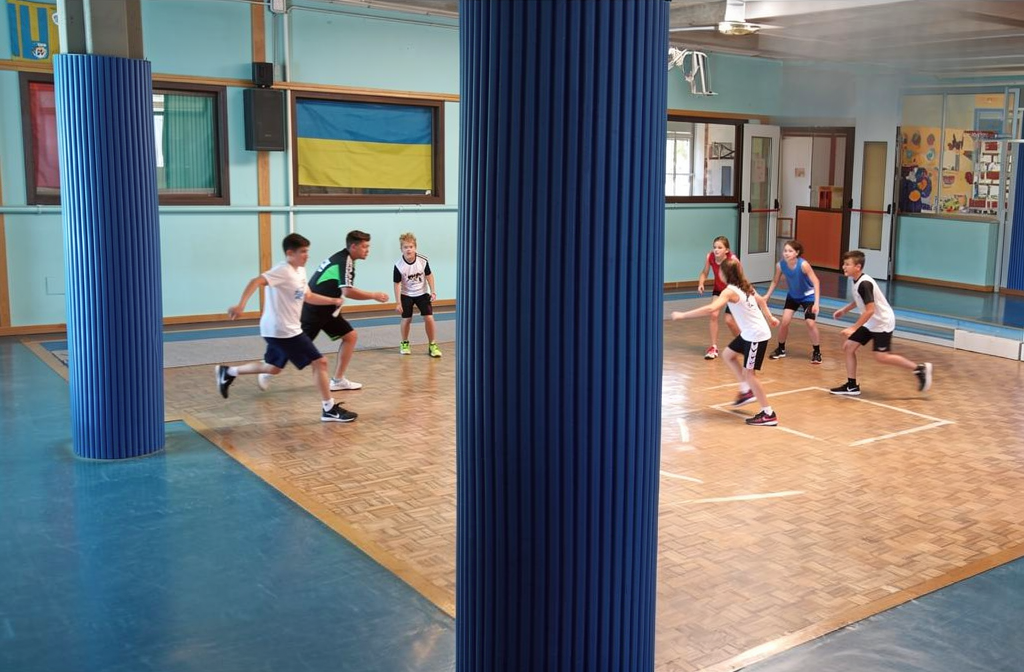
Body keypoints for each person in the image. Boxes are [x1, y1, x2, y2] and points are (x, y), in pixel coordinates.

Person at [214, 233, 357, 422]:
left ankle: (228, 372)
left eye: (307, 251)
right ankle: (328, 408)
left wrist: (333, 300)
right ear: (290, 253)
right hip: (283, 330)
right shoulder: (282, 270)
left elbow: (308, 296)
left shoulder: (300, 271)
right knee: (320, 362)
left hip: (281, 330)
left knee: (272, 368)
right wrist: (241, 305)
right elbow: (256, 281)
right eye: (303, 252)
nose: (307, 255)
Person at [257, 230, 389, 393]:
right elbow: (347, 291)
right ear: (353, 246)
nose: (367, 250)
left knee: (350, 336)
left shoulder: (346, 259)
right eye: (364, 247)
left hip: (328, 310)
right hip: (314, 310)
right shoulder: (344, 261)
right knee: (295, 348)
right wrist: (374, 295)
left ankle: (338, 380)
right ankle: (267, 369)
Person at [673, 258, 782, 426]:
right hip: (749, 333)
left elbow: (711, 309)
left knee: (750, 374)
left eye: (720, 272)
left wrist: (683, 315)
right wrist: (770, 317)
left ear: (725, 274)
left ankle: (768, 413)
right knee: (728, 354)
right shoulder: (744, 285)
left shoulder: (730, 291)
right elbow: (761, 300)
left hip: (756, 336)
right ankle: (746, 391)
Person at [829, 250, 932, 396]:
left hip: (882, 321)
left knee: (882, 357)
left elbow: (870, 310)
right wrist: (845, 310)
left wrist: (853, 328)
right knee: (849, 347)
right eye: (844, 264)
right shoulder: (857, 280)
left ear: (857, 267)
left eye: (847, 264)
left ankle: (919, 369)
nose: (844, 267)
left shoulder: (864, 283)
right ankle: (852, 386)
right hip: (872, 321)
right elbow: (860, 299)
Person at [763, 239, 823, 363]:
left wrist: (816, 303)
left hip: (808, 297)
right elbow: (775, 281)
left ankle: (817, 352)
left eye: (790, 251)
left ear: (797, 253)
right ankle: (781, 349)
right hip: (793, 296)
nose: (786, 253)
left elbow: (816, 282)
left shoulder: (803, 265)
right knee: (784, 322)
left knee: (810, 323)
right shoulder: (780, 265)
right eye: (785, 251)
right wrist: (767, 296)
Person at [393, 232, 442, 357]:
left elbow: (429, 275)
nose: (408, 249)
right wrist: (398, 302)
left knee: (429, 317)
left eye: (411, 247)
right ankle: (404, 343)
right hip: (406, 294)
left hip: (422, 293)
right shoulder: (399, 265)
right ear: (401, 249)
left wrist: (433, 291)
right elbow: (397, 284)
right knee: (406, 319)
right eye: (405, 247)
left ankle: (432, 345)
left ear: (415, 248)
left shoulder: (423, 260)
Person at [696, 236, 741, 360]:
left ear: (726, 250)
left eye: (720, 247)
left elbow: (741, 278)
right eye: (715, 247)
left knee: (729, 321)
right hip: (718, 289)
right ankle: (713, 347)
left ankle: (744, 342)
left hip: (732, 291)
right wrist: (701, 283)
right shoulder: (710, 257)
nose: (716, 250)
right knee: (713, 314)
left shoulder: (733, 260)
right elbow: (704, 272)